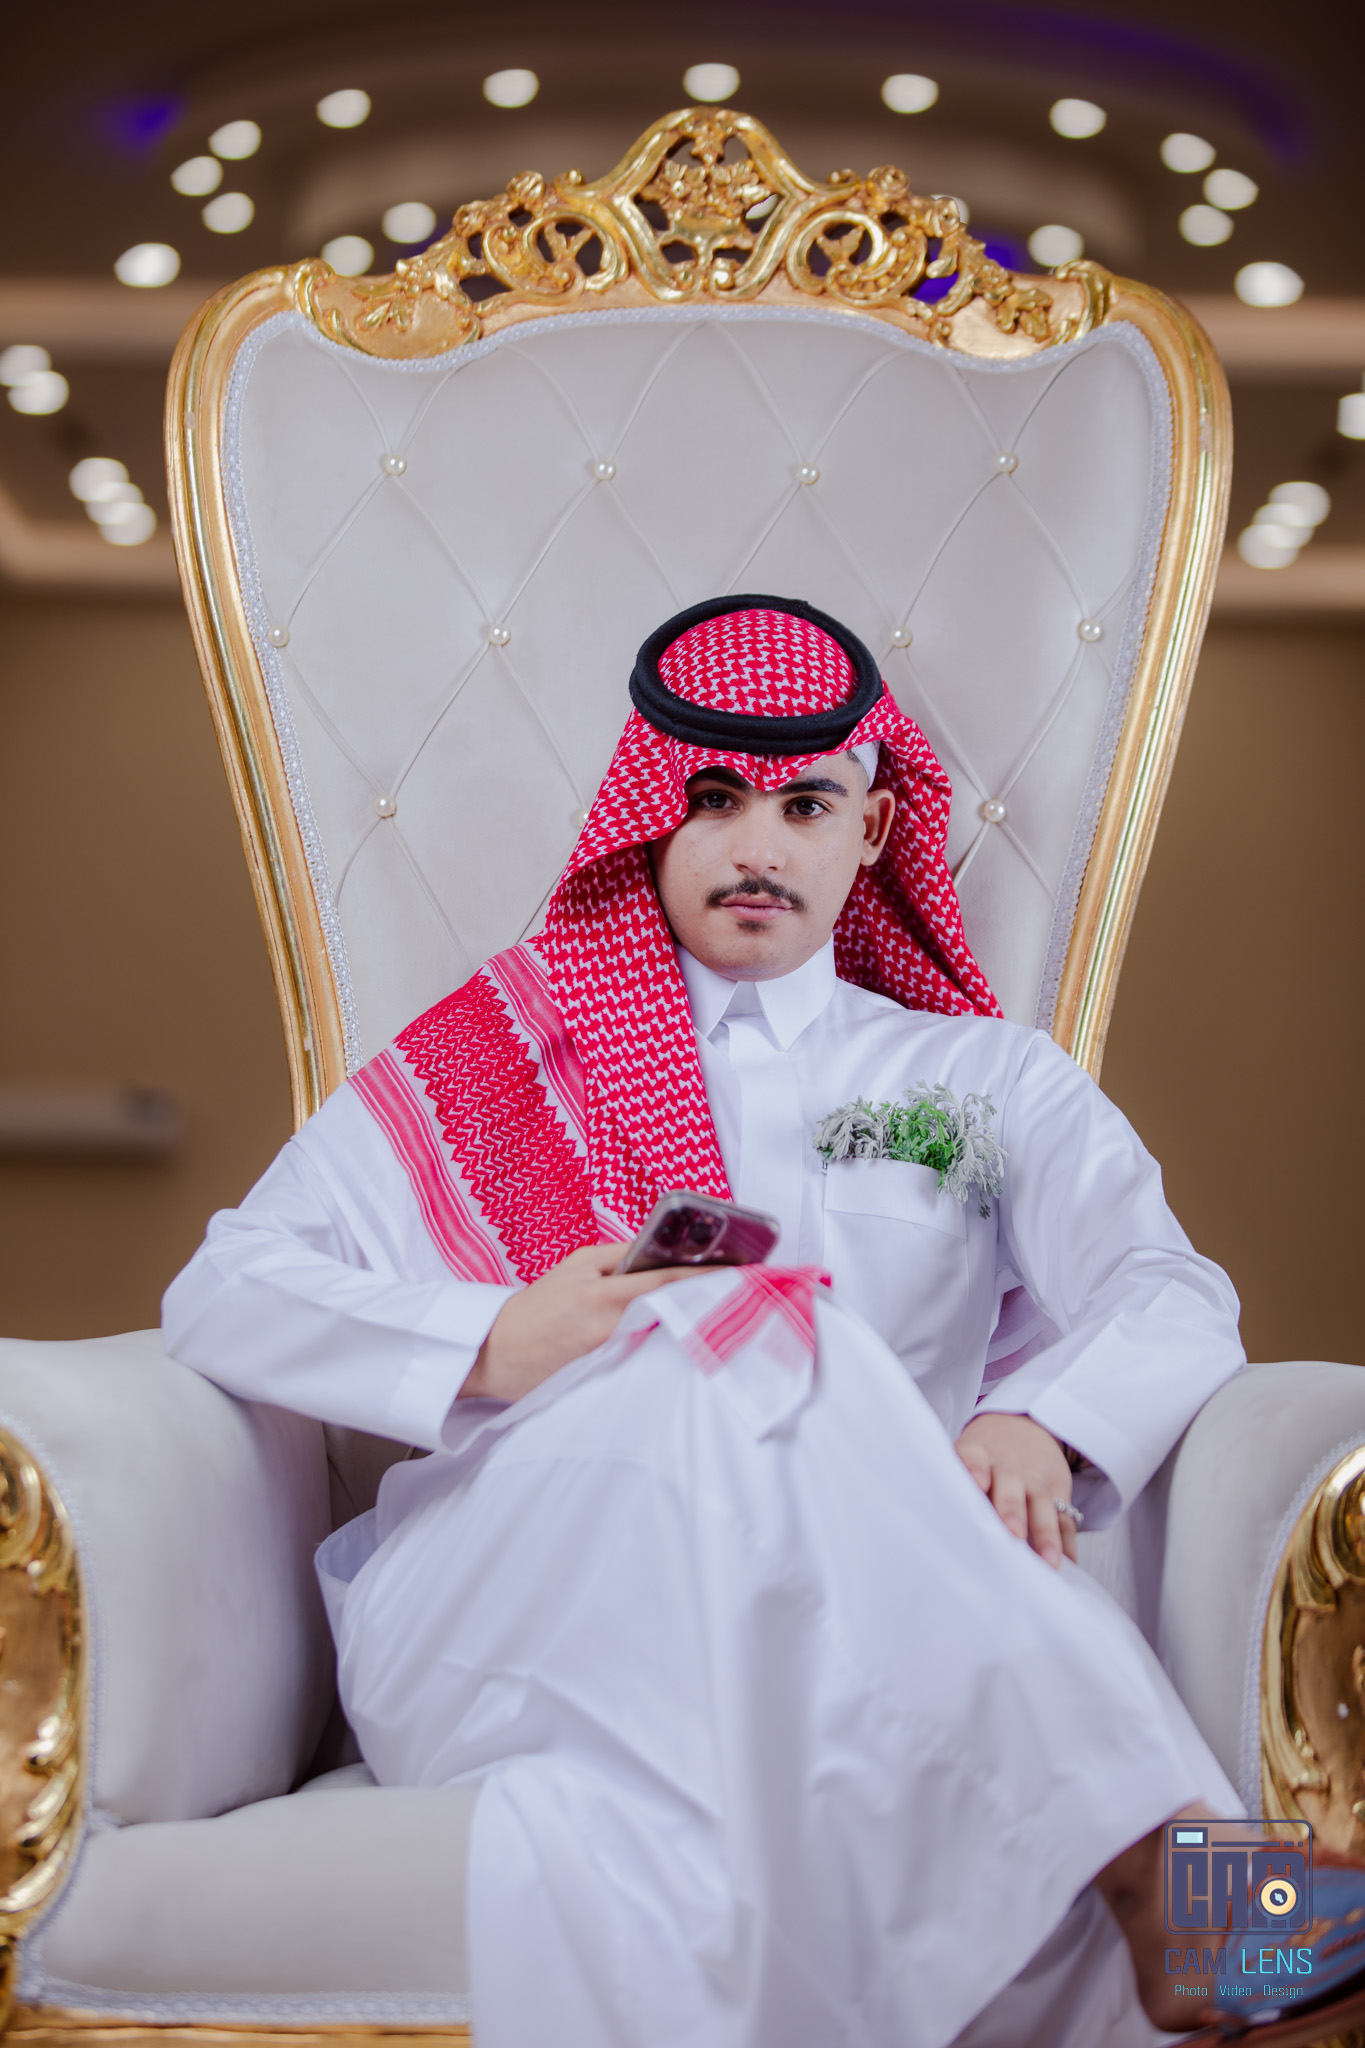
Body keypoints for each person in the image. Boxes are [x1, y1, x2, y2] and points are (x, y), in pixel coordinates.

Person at [164, 595, 1249, 2047]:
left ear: (871, 830)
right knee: (765, 1332)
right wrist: (494, 1340)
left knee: (778, 1337)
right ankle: (1176, 1875)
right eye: (715, 799)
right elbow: (224, 1287)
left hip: (874, 1618)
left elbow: (1170, 1289)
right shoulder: (504, 1050)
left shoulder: (979, 1085)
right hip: (518, 1596)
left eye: (805, 806)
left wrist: (1039, 1418)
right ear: (649, 814)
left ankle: (1148, 1884)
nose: (756, 848)